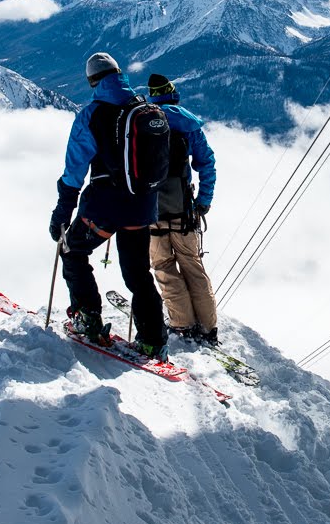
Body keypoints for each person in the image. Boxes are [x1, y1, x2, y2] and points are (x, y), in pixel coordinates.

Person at [48, 52, 168, 359]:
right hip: (143, 204)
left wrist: (62, 212)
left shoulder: (92, 114)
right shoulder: (145, 108)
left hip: (104, 207)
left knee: (73, 250)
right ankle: (154, 339)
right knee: (138, 273)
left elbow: (74, 171)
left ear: (92, 81)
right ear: (119, 74)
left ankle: (87, 318)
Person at [145, 73, 220, 344]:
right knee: (193, 266)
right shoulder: (189, 126)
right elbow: (207, 164)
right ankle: (208, 327)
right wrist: (204, 201)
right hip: (184, 212)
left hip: (152, 212)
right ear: (174, 95)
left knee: (164, 266)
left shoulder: (143, 122)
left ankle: (181, 324)